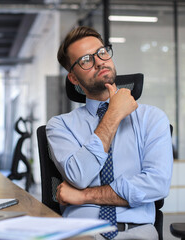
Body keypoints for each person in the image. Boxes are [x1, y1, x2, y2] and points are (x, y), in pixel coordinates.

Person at [46, 26, 173, 240]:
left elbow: (157, 185)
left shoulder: (152, 118)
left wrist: (83, 196)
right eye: (86, 60)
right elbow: (78, 176)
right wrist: (113, 114)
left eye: (101, 52)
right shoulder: (60, 126)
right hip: (81, 233)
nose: (99, 61)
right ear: (74, 79)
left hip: (137, 231)